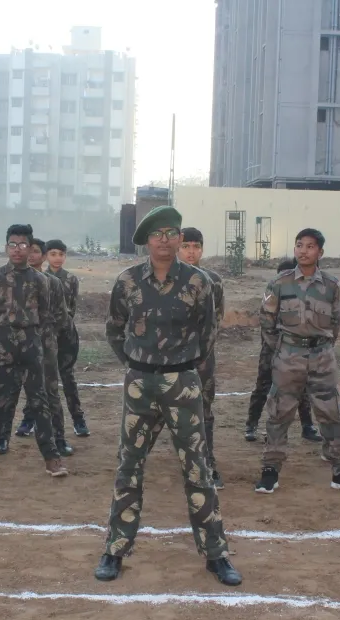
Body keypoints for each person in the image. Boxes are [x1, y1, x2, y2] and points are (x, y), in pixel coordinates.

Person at [94, 205, 241, 587]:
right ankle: (115, 549)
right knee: (129, 466)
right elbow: (114, 330)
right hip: (140, 383)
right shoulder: (127, 282)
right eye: (157, 234)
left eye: (171, 233)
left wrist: (183, 364)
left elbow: (208, 332)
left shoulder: (198, 282)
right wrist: (136, 362)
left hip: (182, 383)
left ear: (180, 239)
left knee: (197, 468)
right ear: (146, 240)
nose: (164, 240)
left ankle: (216, 554)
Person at [255, 228, 340, 496]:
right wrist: (283, 350)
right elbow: (267, 322)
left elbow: (336, 323)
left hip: (322, 357)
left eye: (310, 246)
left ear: (320, 252)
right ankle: (271, 469)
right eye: (299, 245)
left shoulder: (331, 285)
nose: (303, 250)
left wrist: (321, 348)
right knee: (280, 413)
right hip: (288, 356)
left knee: (330, 413)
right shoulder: (280, 283)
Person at [0, 225, 68, 479]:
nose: (17, 250)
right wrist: (5, 332)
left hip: (31, 343)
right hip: (2, 343)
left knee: (39, 401)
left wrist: (27, 332)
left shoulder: (41, 281)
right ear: (5, 247)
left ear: (31, 249)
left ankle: (52, 458)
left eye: (23, 245)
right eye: (12, 244)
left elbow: (45, 315)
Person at [0, 237, 74, 457]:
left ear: (43, 256)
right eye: (27, 250)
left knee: (50, 393)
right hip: (14, 344)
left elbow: (62, 317)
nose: (31, 255)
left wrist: (47, 336)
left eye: (35, 252)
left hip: (44, 345)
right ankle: (2, 439)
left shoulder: (52, 283)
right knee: (9, 392)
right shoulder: (8, 280)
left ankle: (58, 440)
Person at [245, 257, 323, 444]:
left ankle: (307, 427)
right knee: (263, 385)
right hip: (273, 349)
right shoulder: (273, 294)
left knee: (301, 388)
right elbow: (266, 323)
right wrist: (279, 348)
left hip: (299, 350)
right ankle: (251, 425)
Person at [177, 227, 226, 489]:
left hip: (202, 356)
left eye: (196, 246)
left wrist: (201, 351)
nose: (191, 252)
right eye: (186, 246)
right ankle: (134, 458)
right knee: (158, 409)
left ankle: (207, 462)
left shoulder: (213, 280)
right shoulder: (166, 277)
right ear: (177, 248)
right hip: (168, 357)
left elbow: (215, 320)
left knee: (203, 409)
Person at [46, 239, 90, 437]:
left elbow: (71, 308)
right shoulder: (40, 277)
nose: (57, 258)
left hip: (66, 336)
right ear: (47, 256)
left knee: (68, 378)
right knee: (41, 379)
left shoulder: (71, 279)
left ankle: (78, 419)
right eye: (53, 254)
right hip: (45, 337)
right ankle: (30, 419)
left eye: (61, 254)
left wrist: (62, 326)